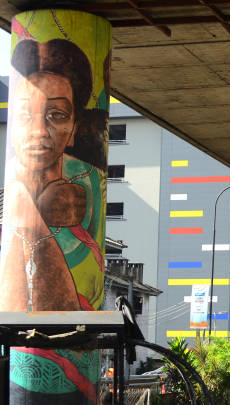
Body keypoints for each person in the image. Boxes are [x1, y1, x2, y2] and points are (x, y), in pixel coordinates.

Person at [0, 38, 107, 404]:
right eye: (25, 114)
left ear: (75, 126)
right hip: (24, 368)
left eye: (57, 115)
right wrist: (34, 214)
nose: (38, 130)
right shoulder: (14, 193)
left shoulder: (88, 181)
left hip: (78, 369)